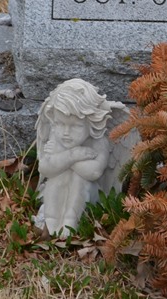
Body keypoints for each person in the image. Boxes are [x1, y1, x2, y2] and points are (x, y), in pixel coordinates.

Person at [34, 79, 125, 236]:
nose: (66, 132)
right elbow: (45, 169)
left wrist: (65, 159)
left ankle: (70, 222)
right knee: (56, 178)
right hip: (57, 195)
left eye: (75, 126)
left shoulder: (98, 142)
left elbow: (94, 173)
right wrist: (73, 155)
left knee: (79, 179)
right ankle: (50, 220)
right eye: (60, 124)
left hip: (89, 196)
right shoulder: (57, 136)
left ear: (91, 123)